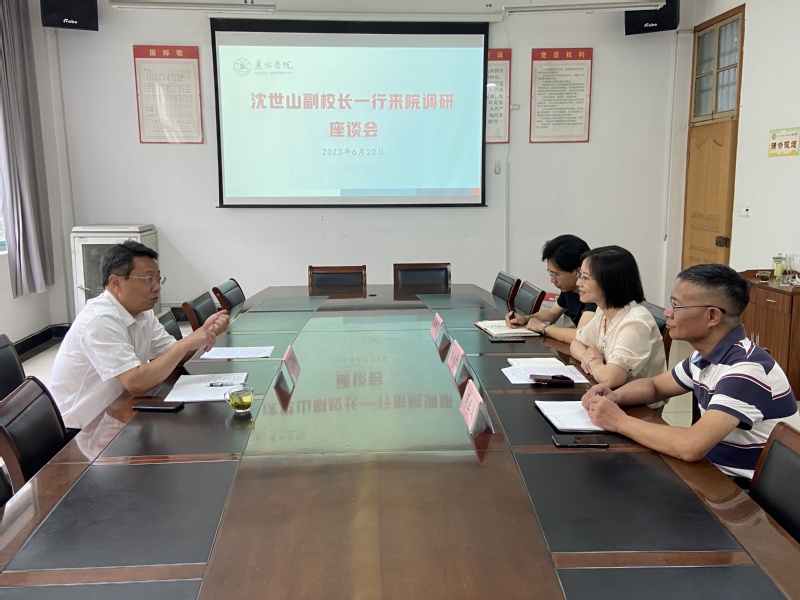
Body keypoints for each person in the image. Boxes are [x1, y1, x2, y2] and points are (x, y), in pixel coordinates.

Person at [582, 264, 800, 481]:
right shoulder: (703, 356)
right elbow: (655, 386)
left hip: (744, 491)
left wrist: (619, 421)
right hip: (712, 471)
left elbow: (690, 446)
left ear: (712, 316)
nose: (667, 312)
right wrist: (616, 396)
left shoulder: (745, 370)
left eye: (676, 306)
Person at [51, 241, 229, 432]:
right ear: (116, 283)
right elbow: (136, 383)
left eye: (158, 279)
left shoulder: (142, 313)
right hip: (84, 431)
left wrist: (204, 333)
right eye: (148, 279)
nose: (157, 287)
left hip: (121, 413)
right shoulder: (100, 320)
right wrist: (185, 344)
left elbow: (172, 355)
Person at [570, 245, 666, 388]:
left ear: (609, 282)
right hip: (609, 393)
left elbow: (610, 379)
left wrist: (594, 362)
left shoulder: (635, 322)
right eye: (580, 275)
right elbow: (576, 343)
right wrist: (590, 360)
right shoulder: (603, 311)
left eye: (585, 277)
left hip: (635, 401)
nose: (578, 283)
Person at [504, 234, 596, 343]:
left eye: (555, 274)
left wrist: (543, 328)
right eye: (550, 273)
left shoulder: (595, 293)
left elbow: (579, 336)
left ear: (577, 272)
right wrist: (525, 319)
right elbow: (552, 314)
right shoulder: (570, 288)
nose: (552, 280)